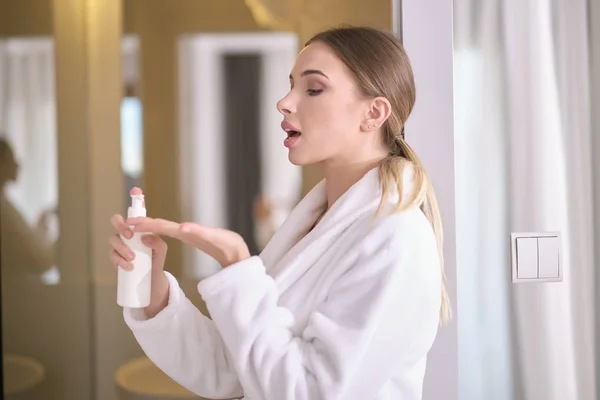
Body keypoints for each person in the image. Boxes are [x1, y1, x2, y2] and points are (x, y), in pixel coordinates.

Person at [108, 26, 451, 400]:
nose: (284, 102)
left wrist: (239, 264)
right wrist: (155, 291)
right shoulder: (314, 224)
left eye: (313, 89)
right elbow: (235, 370)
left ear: (373, 113)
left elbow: (312, 392)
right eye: (290, 86)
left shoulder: (396, 239)